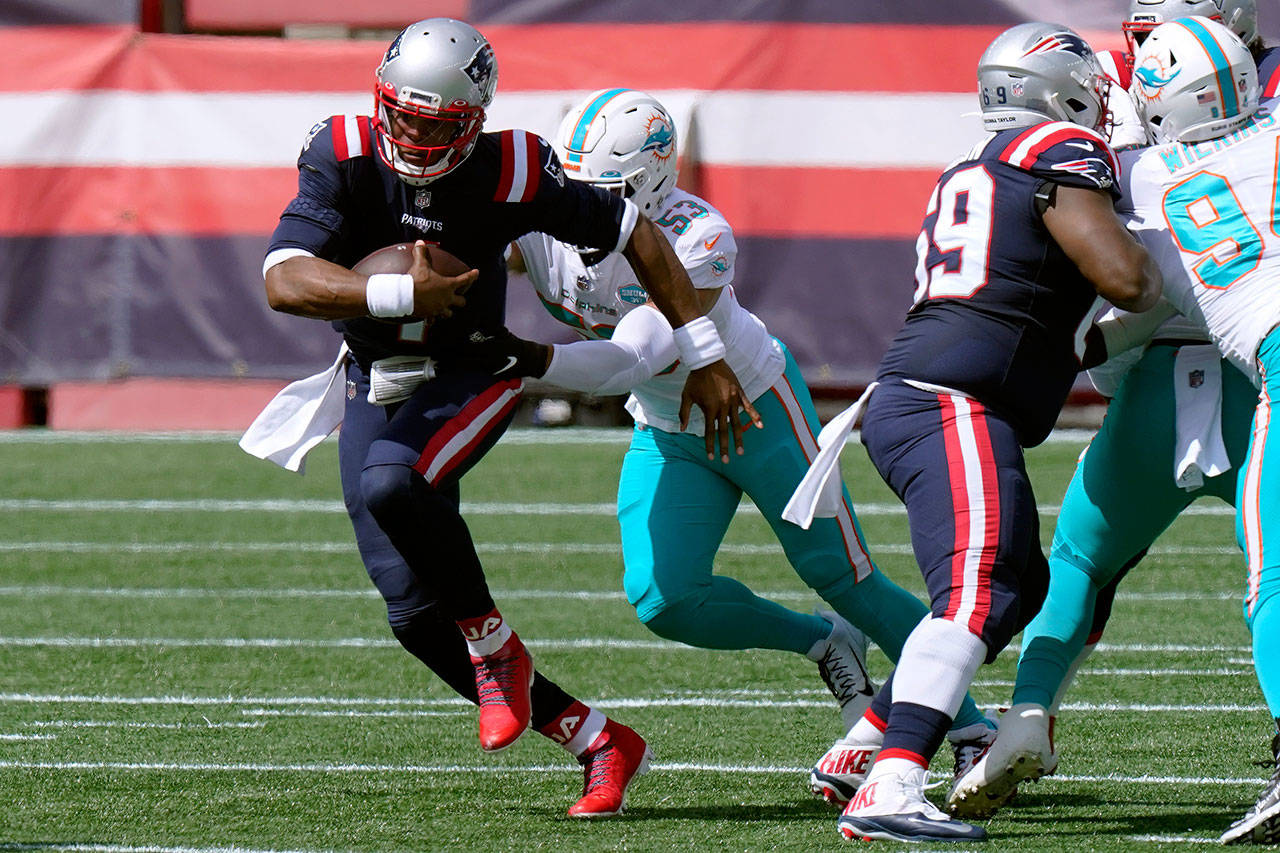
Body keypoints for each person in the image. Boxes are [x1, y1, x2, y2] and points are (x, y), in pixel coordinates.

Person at [242, 17, 759, 819]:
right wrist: (396, 294)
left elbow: (638, 234)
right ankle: (597, 739)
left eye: (435, 122)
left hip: (474, 368)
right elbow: (283, 280)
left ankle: (491, 644)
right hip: (374, 373)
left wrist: (702, 349)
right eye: (402, 113)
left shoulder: (514, 166)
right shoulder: (339, 148)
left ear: (475, 118)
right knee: (414, 615)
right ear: (380, 97)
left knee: (392, 483)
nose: (412, 134)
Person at [442, 87, 999, 782]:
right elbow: (463, 249)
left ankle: (973, 722)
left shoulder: (694, 236)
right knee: (663, 596)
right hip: (670, 425)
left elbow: (633, 358)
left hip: (754, 410)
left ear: (649, 182)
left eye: (603, 190)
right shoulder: (546, 226)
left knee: (845, 576)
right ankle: (823, 642)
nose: (579, 206)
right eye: (571, 186)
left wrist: (524, 362)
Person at [785, 22, 1163, 842]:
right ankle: (893, 782)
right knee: (979, 587)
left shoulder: (980, 165)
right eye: (1090, 84)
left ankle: (867, 740)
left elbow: (1044, 321)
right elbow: (1125, 277)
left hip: (928, 398)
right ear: (1056, 90)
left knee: (1017, 587)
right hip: (947, 401)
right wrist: (1183, 267)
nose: (1104, 99)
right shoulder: (1057, 148)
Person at [950, 0, 1280, 822]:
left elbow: (1115, 277)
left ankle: (1027, 713)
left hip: (1168, 369)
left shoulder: (1131, 163)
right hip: (1235, 367)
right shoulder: (1258, 116)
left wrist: (1045, 355)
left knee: (1081, 556)